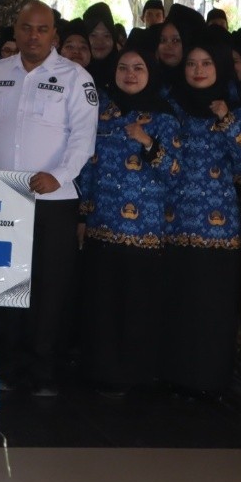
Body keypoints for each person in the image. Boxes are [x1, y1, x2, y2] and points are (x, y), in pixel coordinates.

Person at [0, 1, 98, 396]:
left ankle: (43, 369)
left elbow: (83, 138)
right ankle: (10, 364)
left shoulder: (75, 77)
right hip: (3, 198)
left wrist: (59, 175)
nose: (33, 36)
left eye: (42, 29)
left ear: (54, 34)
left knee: (49, 288)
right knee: (6, 282)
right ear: (15, 30)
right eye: (26, 28)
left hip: (53, 200)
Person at [76, 48, 180, 397]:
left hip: (144, 232)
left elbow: (175, 173)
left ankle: (133, 376)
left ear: (150, 73)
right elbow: (88, 166)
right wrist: (82, 215)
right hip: (101, 226)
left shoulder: (164, 116)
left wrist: (148, 142)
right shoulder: (102, 112)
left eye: (138, 68)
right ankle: (100, 372)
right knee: (102, 305)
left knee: (137, 307)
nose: (130, 74)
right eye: (123, 67)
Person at [162, 32, 241, 395]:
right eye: (191, 63)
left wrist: (226, 119)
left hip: (217, 228)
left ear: (219, 67)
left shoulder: (235, 110)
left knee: (211, 304)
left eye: (206, 63)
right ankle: (175, 375)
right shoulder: (174, 106)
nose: (198, 70)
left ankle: (209, 380)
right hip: (175, 222)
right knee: (179, 300)